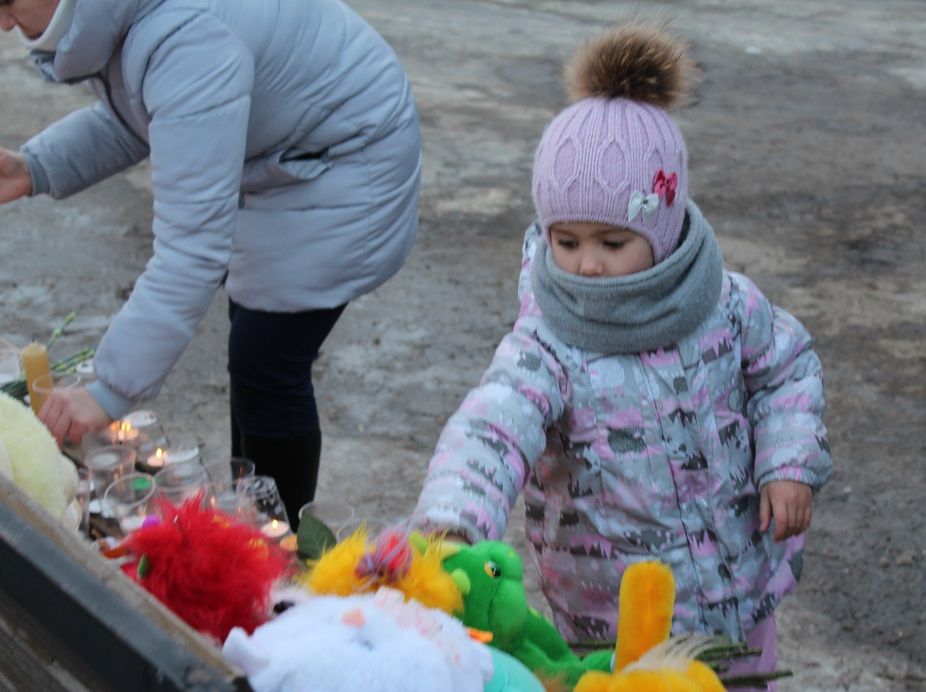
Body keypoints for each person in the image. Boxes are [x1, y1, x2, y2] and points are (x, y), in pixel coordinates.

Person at [408, 24, 832, 684]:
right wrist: (451, 526)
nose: (588, 266)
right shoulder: (549, 341)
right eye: (566, 241)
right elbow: (491, 429)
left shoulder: (723, 302)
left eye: (612, 242)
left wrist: (788, 460)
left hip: (737, 584)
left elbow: (787, 367)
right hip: (613, 610)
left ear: (660, 227)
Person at [0, 0, 420, 522]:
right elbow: (141, 117)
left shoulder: (184, 37)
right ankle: (255, 508)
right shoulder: (121, 15)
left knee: (265, 360)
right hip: (291, 156)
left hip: (349, 160)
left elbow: (191, 249)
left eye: (7, 2)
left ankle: (280, 546)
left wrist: (108, 390)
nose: (3, 24)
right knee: (253, 350)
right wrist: (34, 167)